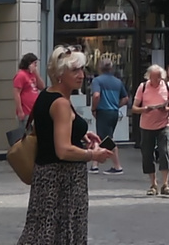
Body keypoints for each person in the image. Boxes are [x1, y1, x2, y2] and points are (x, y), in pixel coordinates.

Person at [16, 47, 118, 245]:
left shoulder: (48, 94)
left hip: (47, 177)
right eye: (75, 70)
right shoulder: (61, 103)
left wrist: (80, 133)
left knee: (42, 232)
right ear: (60, 74)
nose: (81, 75)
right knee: (58, 234)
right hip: (61, 180)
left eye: (82, 69)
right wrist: (92, 155)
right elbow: (62, 150)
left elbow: (47, 129)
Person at [133, 64, 169, 197]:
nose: (156, 80)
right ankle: (153, 184)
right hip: (146, 126)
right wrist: (144, 109)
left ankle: (165, 184)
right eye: (154, 78)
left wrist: (167, 109)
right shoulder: (142, 87)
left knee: (164, 152)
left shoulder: (167, 86)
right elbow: (135, 108)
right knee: (147, 155)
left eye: (159, 77)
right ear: (149, 77)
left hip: (162, 125)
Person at [90, 60, 129, 175]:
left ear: (100, 68)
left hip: (103, 111)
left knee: (107, 138)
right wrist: (116, 105)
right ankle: (95, 165)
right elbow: (125, 98)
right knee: (102, 137)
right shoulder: (118, 82)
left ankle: (117, 166)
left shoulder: (97, 81)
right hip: (114, 112)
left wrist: (93, 108)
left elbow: (96, 95)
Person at [15, 53, 43, 127]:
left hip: (34, 111)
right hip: (26, 111)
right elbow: (16, 94)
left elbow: (42, 86)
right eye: (34, 63)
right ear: (29, 63)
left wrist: (36, 73)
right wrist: (20, 111)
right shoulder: (21, 75)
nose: (36, 66)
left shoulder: (33, 75)